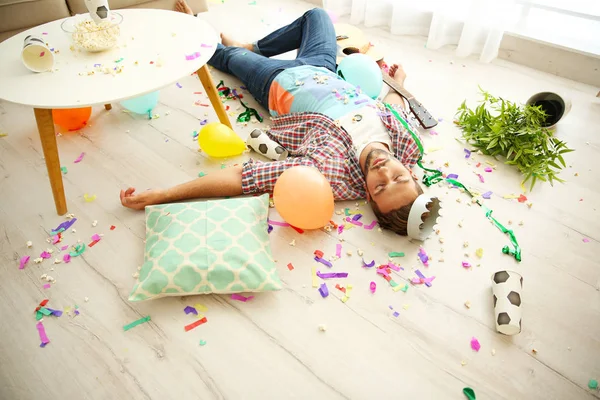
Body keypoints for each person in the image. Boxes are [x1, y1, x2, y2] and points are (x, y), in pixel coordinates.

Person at [121, 2, 427, 236]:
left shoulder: (328, 172)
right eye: (399, 177)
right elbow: (394, 105)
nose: (383, 172)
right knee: (316, 16)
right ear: (412, 174)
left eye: (380, 187)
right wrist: (400, 82)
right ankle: (253, 46)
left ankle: (208, 36)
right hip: (323, 69)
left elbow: (246, 178)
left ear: (370, 198)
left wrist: (163, 195)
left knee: (222, 56)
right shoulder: (407, 144)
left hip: (278, 82)